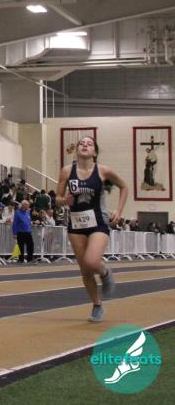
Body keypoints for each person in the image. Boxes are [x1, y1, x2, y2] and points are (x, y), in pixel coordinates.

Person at [57, 136, 128, 322]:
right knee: (85, 270)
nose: (85, 145)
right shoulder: (67, 171)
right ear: (76, 150)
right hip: (76, 224)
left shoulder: (103, 170)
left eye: (89, 144)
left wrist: (119, 211)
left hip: (98, 222)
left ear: (94, 152)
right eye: (81, 143)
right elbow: (57, 198)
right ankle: (97, 305)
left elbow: (124, 186)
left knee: (91, 261)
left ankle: (105, 272)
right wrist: (64, 201)